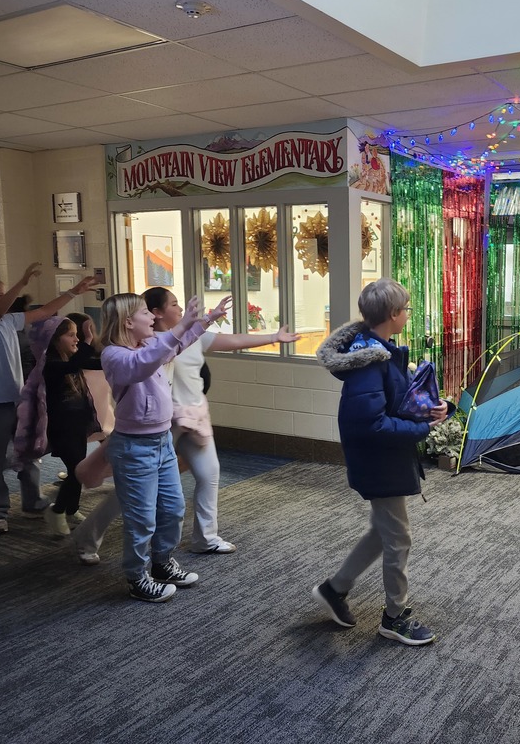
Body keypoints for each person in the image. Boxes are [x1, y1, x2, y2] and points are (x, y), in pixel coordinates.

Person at [312, 277, 447, 646]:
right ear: (393, 314)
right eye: (406, 309)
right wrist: (419, 429)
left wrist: (432, 410)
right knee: (399, 538)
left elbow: (394, 402)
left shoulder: (378, 350)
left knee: (383, 532)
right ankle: (395, 616)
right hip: (379, 462)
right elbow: (372, 423)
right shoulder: (370, 361)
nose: (408, 315)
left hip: (385, 459)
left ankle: (335, 589)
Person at [144, 287, 301, 553]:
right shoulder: (151, 343)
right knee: (141, 484)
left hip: (194, 416)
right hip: (164, 422)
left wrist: (275, 336)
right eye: (174, 305)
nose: (180, 309)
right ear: (157, 313)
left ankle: (205, 538)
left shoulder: (193, 338)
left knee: (209, 474)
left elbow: (235, 340)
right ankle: (89, 536)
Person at [98, 292, 229, 602]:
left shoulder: (148, 346)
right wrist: (181, 325)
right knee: (142, 519)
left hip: (162, 444)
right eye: (146, 313)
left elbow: (175, 346)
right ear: (129, 321)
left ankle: (161, 563)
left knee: (172, 510)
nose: (153, 318)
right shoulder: (115, 355)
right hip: (134, 448)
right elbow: (143, 364)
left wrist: (205, 320)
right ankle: (137, 577)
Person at [0, 266, 98, 534]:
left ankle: (32, 502)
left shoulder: (8, 321)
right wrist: (22, 280)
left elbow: (45, 312)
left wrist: (73, 292)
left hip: (19, 399)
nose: (5, 299)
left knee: (31, 452)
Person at [14, 316, 102, 537]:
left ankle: (71, 509)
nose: (76, 339)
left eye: (77, 335)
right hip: (62, 427)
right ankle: (58, 510)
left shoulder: (68, 358)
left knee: (79, 470)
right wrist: (88, 340)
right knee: (77, 470)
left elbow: (97, 362)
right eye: (70, 335)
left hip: (78, 423)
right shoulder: (48, 364)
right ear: (54, 340)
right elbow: (73, 365)